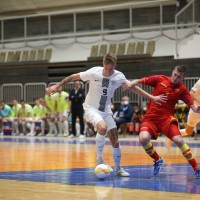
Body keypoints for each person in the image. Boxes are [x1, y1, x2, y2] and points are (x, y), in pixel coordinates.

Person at [46, 53, 166, 177]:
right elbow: (73, 76)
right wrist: (57, 85)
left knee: (115, 141)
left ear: (115, 65)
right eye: (107, 68)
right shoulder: (94, 72)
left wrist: (152, 97)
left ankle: (118, 168)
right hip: (91, 108)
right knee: (102, 127)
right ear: (103, 64)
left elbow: (133, 87)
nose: (109, 71)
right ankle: (99, 159)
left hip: (106, 111)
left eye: (111, 68)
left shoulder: (119, 76)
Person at [125, 65, 200, 179]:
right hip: (151, 118)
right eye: (175, 75)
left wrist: (196, 109)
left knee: (179, 140)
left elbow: (192, 106)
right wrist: (133, 82)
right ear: (172, 72)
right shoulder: (160, 79)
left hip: (166, 119)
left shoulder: (182, 89)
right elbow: (142, 80)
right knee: (143, 138)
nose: (175, 78)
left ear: (183, 78)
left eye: (179, 77)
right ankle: (157, 160)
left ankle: (196, 169)